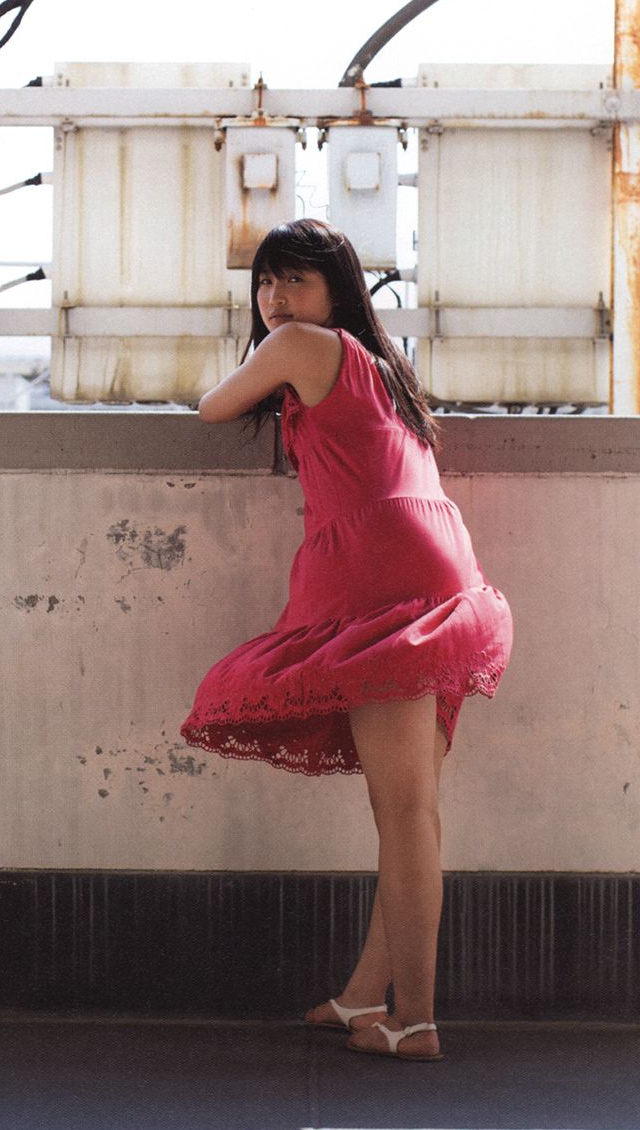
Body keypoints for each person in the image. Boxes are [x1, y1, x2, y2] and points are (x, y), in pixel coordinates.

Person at [180, 217, 514, 1062]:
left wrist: (262, 353)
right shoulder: (377, 364)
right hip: (428, 566)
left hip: (382, 574)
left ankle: (417, 1021)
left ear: (336, 291)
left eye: (295, 279)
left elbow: (212, 406)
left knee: (402, 811)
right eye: (265, 282)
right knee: (409, 811)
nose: (275, 297)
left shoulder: (299, 345)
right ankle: (366, 995)